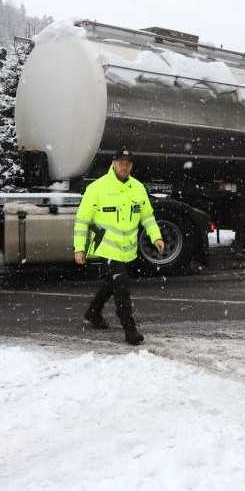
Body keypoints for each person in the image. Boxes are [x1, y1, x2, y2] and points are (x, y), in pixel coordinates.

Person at [73, 147, 165, 345]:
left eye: (128, 163)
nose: (125, 167)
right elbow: (82, 221)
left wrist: (156, 237)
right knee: (121, 285)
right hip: (105, 247)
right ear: (113, 163)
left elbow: (147, 217)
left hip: (127, 249)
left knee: (112, 283)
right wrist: (79, 249)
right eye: (121, 163)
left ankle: (93, 312)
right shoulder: (97, 188)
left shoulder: (138, 188)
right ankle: (130, 330)